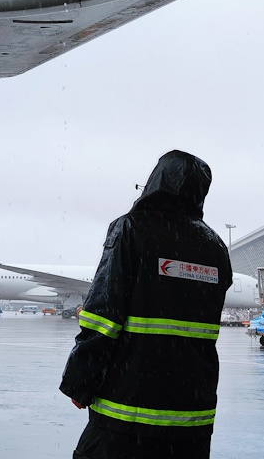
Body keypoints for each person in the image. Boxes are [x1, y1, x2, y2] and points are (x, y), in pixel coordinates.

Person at [60, 150, 232, 459]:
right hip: (192, 418)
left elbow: (103, 316)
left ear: (156, 181)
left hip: (127, 415)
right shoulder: (216, 246)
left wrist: (79, 380)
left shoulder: (132, 229)